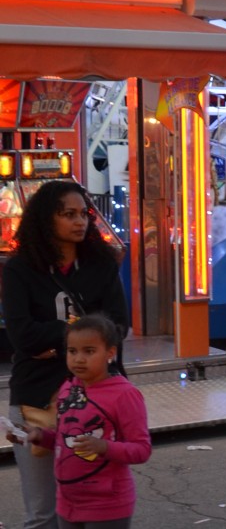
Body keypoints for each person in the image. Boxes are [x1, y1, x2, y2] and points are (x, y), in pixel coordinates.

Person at [3, 180, 129, 529]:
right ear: (46, 219)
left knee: (96, 506)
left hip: (98, 397)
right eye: (68, 214)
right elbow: (22, 337)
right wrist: (86, 342)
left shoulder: (101, 265)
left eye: (83, 214)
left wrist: (57, 343)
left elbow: (119, 327)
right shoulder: (19, 269)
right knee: (43, 514)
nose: (80, 222)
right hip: (36, 397)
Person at [9, 315, 151, 529]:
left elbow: (141, 449)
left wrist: (104, 447)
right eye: (72, 351)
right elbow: (65, 439)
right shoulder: (67, 388)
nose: (78, 359)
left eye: (89, 351)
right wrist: (39, 436)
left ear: (110, 353)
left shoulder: (125, 395)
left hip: (107, 506)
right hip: (67, 504)